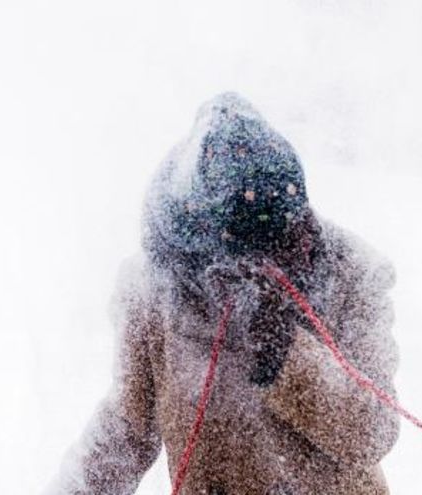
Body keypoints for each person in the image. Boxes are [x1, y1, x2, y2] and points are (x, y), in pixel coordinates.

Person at [48, 93, 400, 494]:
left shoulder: (352, 274)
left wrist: (289, 354)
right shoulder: (154, 290)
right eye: (266, 247)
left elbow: (373, 432)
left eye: (295, 230)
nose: (291, 254)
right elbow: (127, 430)